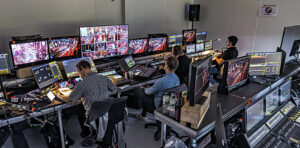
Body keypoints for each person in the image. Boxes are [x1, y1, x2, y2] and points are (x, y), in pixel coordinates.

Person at [67, 60, 117, 141]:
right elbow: (114, 90)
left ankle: (87, 133)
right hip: (106, 110)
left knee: (78, 109)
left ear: (82, 69)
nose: (79, 75)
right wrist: (103, 93)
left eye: (78, 73)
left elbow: (70, 101)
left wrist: (59, 96)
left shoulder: (81, 84)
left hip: (93, 114)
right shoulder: (103, 77)